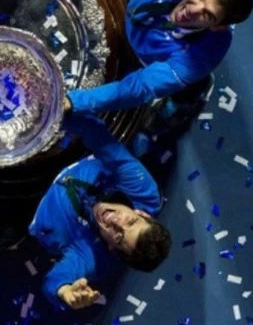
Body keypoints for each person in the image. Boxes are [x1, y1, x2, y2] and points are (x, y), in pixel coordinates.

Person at [64, 0, 253, 125]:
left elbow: (141, 86)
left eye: (207, 15)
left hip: (156, 58)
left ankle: (191, 93)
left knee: (176, 93)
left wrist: (75, 101)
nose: (192, 9)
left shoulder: (197, 58)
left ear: (217, 26)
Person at [28, 113, 171, 310]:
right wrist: (55, 114)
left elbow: (54, 281)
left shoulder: (93, 258)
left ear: (113, 249)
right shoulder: (144, 192)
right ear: (142, 214)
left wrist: (65, 292)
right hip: (80, 155)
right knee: (138, 141)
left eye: (119, 236)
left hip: (34, 199)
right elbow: (99, 137)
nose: (115, 221)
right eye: (131, 222)